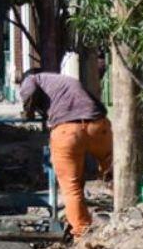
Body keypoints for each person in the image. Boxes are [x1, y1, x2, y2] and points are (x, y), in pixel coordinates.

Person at [19, 69, 112, 238]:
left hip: (66, 131)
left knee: (71, 186)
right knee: (113, 171)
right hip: (98, 126)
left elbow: (29, 89)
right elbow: (98, 104)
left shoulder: (32, 78)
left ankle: (82, 232)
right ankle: (127, 211)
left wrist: (28, 112)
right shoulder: (66, 80)